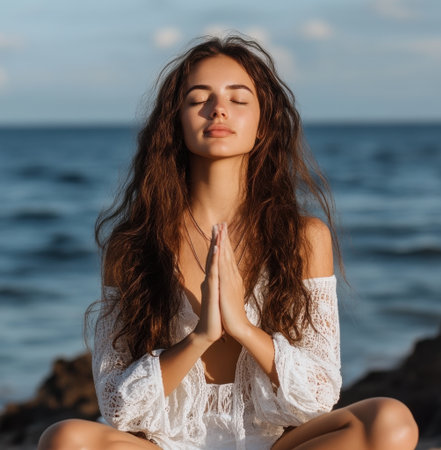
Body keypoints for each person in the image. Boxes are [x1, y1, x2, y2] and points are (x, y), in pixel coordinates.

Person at [38, 35, 418, 450]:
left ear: (263, 124)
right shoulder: (133, 245)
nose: (218, 108)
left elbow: (321, 392)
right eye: (198, 98)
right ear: (176, 121)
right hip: (168, 443)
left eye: (238, 99)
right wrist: (198, 337)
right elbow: (116, 406)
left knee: (390, 421)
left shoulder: (304, 237)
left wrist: (243, 327)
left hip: (277, 442)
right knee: (65, 438)